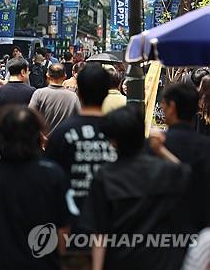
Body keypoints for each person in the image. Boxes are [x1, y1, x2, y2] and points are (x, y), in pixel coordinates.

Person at [0, 106, 70, 269]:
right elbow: (64, 227)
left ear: (1, 136)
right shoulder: (54, 174)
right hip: (43, 263)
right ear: (37, 135)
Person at [81, 105, 191, 270]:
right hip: (161, 261)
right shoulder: (163, 170)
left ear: (114, 141)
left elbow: (100, 234)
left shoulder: (106, 176)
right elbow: (185, 173)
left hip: (121, 261)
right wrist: (160, 150)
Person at [45, 64, 117, 254]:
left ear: (79, 92)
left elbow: (50, 183)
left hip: (69, 232)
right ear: (106, 92)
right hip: (113, 232)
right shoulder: (120, 133)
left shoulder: (61, 134)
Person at [157, 82, 210, 232]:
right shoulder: (206, 146)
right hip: (202, 230)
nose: (161, 108)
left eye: (163, 104)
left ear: (172, 107)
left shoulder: (156, 146)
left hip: (165, 230)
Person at [29, 63, 80, 136]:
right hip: (64, 142)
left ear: (47, 75)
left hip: (43, 142)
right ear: (65, 76)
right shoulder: (73, 97)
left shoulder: (39, 94)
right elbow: (78, 120)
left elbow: (30, 117)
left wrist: (41, 137)